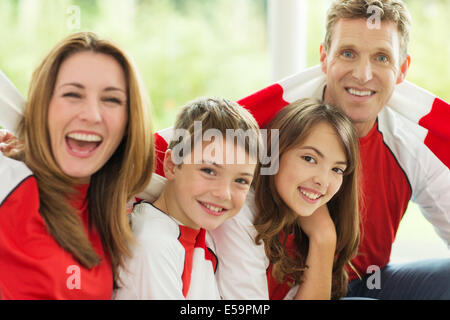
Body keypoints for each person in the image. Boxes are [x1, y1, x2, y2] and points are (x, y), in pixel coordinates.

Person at [230, 0, 449, 299]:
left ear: (402, 69)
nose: (362, 74)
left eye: (382, 57)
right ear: (324, 57)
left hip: (368, 282)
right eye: (348, 53)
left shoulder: (411, 143)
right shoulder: (277, 134)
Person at [0, 32, 154, 299]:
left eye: (111, 99)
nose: (92, 115)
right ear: (42, 107)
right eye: (72, 94)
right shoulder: (8, 184)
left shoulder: (113, 209)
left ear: (129, 122)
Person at [208, 98, 360, 300]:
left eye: (337, 169)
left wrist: (324, 236)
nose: (323, 181)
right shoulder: (238, 214)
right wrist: (324, 237)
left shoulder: (301, 219)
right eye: (309, 159)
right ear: (273, 153)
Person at [113, 97, 263, 300]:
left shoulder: (201, 237)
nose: (224, 193)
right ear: (172, 165)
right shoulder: (154, 244)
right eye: (209, 170)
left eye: (241, 180)